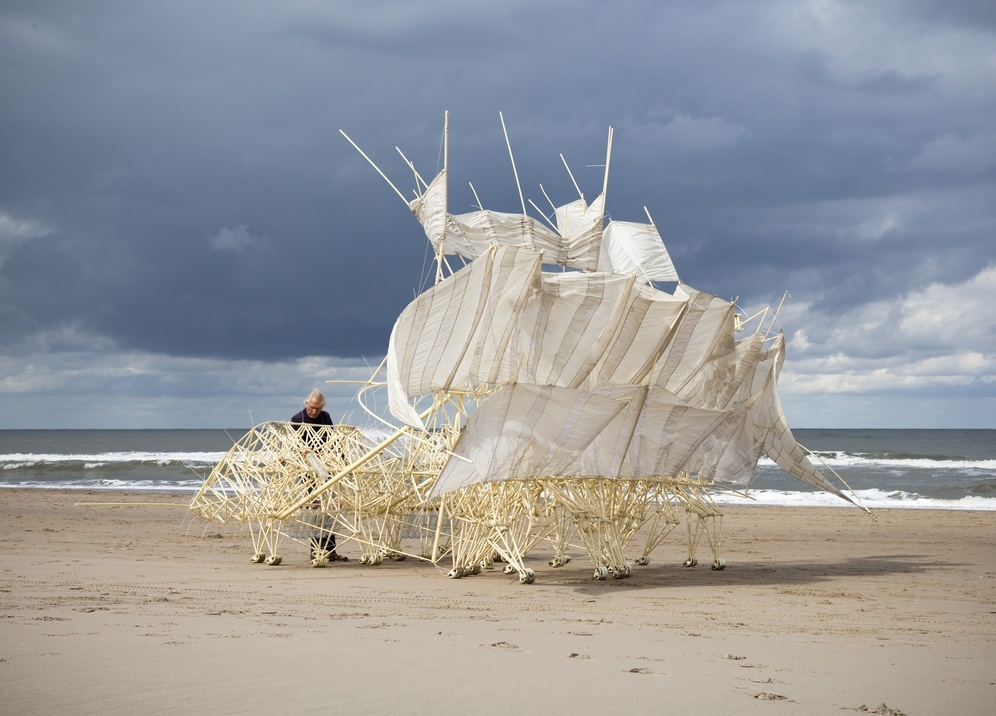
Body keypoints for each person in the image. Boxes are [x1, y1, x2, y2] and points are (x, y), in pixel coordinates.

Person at [290, 390, 348, 562]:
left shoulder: (325, 417)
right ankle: (316, 550)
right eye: (311, 407)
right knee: (316, 510)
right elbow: (296, 446)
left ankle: (331, 551)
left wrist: (342, 461)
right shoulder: (297, 419)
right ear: (306, 403)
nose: (313, 411)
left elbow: (333, 440)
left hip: (325, 469)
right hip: (309, 470)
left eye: (317, 408)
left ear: (322, 407)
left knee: (329, 509)